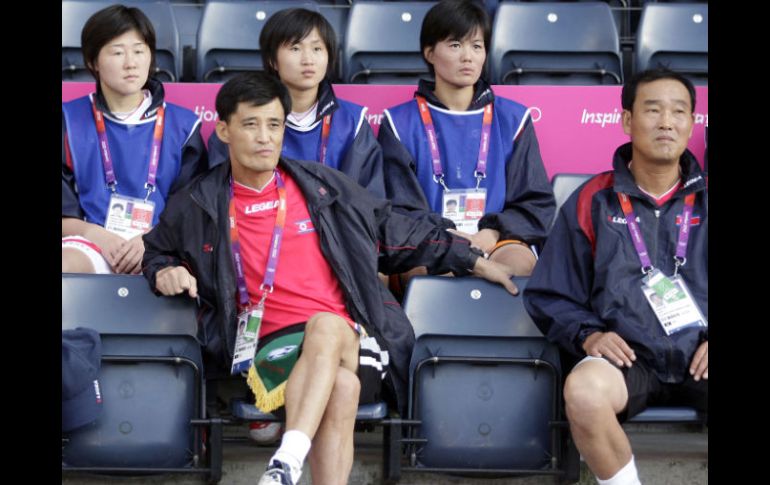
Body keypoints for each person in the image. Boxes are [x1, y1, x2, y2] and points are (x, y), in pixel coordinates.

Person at [142, 72, 517, 485]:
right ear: (224, 131)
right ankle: (291, 464)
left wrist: (472, 259)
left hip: (353, 340)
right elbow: (157, 251)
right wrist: (165, 270)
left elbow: (395, 228)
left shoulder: (322, 188)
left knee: (326, 325)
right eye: (251, 125)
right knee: (340, 388)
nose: (265, 137)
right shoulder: (196, 204)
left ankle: (288, 457)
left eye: (274, 125)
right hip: (269, 349)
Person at [524, 69, 708, 485]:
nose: (666, 122)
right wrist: (589, 335)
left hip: (700, 354)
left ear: (692, 123)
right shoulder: (593, 199)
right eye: (653, 110)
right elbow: (550, 293)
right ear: (627, 120)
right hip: (627, 359)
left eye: (679, 112)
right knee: (584, 391)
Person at [379, 0, 555, 278]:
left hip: (497, 239)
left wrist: (492, 231)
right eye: (455, 45)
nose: (468, 57)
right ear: (429, 53)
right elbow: (400, 209)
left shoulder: (514, 119)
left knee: (518, 267)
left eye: (476, 46)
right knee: (432, 273)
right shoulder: (398, 123)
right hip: (433, 241)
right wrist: (448, 237)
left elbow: (535, 202)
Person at [62, 4, 207, 275]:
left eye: (139, 51)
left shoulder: (184, 126)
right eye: (117, 52)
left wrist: (151, 239)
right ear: (93, 62)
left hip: (161, 243)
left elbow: (191, 211)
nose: (131, 63)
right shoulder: (68, 120)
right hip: (91, 241)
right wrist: (96, 235)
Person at [206, 8, 384, 198]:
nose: (308, 60)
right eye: (295, 48)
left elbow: (369, 201)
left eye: (317, 49)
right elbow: (219, 195)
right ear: (272, 60)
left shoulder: (353, 122)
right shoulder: (242, 120)